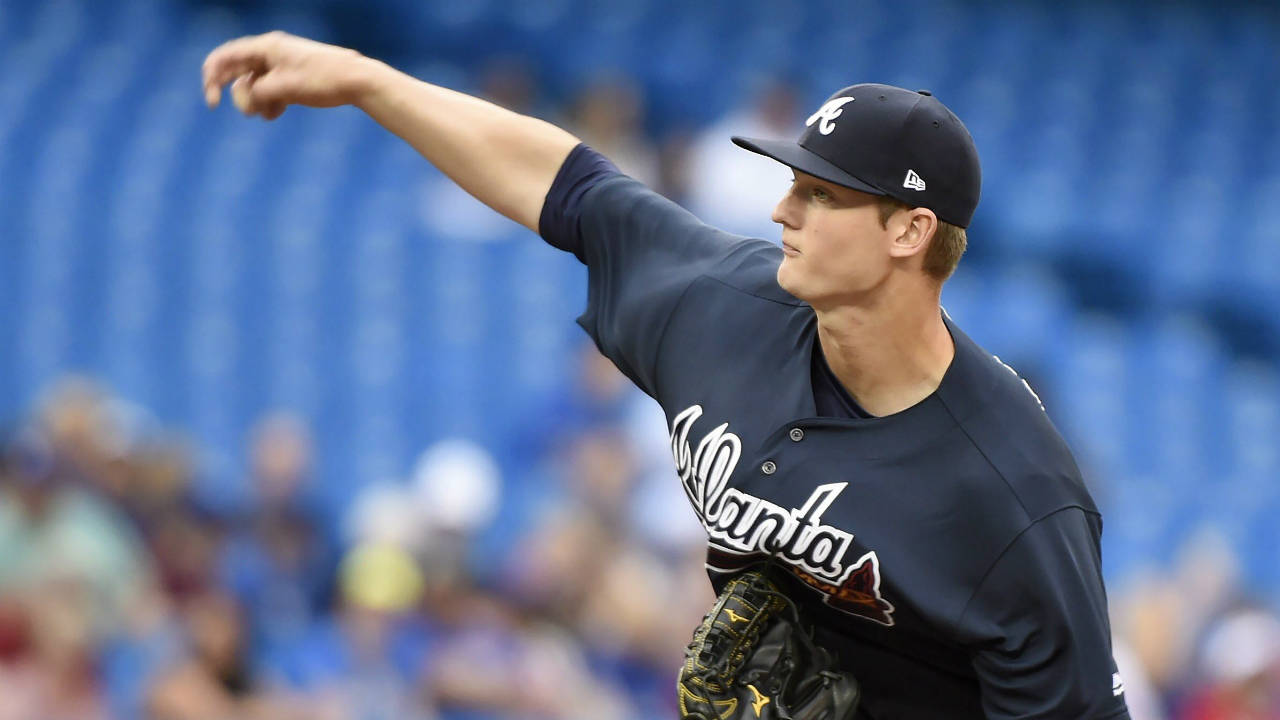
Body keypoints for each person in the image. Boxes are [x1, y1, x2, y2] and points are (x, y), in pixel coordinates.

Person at [202, 32, 1132, 719]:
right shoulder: (723, 307)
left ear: (908, 232)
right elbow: (569, 186)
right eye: (791, 182)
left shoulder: (1018, 496)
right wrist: (370, 82)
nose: (782, 209)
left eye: (821, 194)